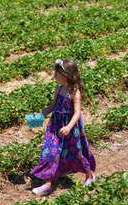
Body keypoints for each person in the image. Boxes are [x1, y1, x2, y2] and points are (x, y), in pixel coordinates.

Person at [30, 59, 96, 196]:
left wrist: (69, 127)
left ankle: (90, 176)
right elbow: (53, 106)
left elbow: (77, 113)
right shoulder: (58, 89)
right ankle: (47, 184)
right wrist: (41, 115)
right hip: (55, 126)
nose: (54, 76)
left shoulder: (74, 92)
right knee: (50, 152)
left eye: (57, 74)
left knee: (77, 152)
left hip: (71, 127)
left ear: (66, 75)